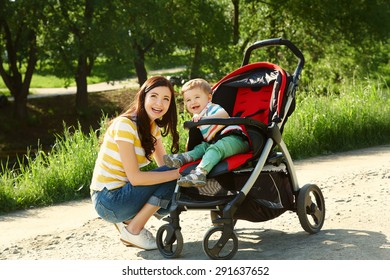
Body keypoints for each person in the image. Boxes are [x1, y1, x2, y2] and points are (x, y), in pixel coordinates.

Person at [90, 76, 180, 250]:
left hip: (122, 196)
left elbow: (165, 164)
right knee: (173, 176)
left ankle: (129, 221)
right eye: (154, 96)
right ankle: (133, 229)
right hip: (108, 200)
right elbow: (136, 178)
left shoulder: (152, 128)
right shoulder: (125, 125)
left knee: (172, 177)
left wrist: (190, 162)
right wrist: (179, 173)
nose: (159, 103)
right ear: (143, 97)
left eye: (166, 99)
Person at [163, 78, 249, 187]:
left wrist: (206, 118)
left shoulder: (212, 107)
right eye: (188, 100)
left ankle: (199, 173)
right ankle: (183, 158)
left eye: (197, 97)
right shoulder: (197, 116)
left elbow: (224, 115)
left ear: (209, 98)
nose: (192, 102)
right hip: (216, 141)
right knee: (202, 147)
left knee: (214, 148)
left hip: (235, 139)